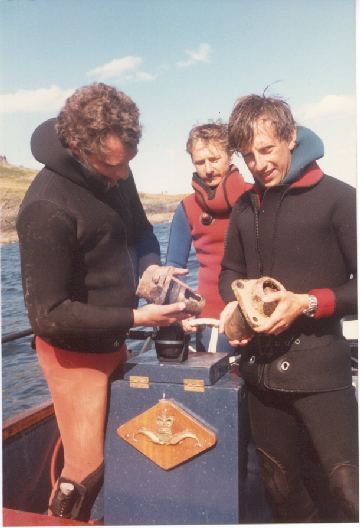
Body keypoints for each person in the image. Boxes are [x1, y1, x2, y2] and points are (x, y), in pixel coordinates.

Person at [16, 82, 189, 521]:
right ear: (76, 145)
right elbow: (48, 316)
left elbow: (142, 230)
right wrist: (137, 315)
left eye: (127, 164)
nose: (119, 177)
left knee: (122, 449)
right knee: (87, 468)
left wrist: (153, 269)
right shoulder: (46, 207)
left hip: (114, 341)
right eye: (109, 167)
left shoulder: (117, 170)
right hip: (71, 354)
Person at [219, 94, 358, 522]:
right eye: (247, 156)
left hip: (322, 377)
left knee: (345, 489)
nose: (257, 164)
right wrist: (235, 310)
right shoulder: (245, 207)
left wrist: (308, 302)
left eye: (266, 150)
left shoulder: (340, 198)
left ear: (291, 137)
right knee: (280, 489)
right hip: (261, 377)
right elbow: (229, 274)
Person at [166, 121, 324, 353]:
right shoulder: (187, 208)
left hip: (263, 314)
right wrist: (179, 311)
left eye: (215, 159)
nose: (208, 169)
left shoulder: (259, 195)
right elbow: (173, 269)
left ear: (230, 155)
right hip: (211, 322)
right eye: (200, 162)